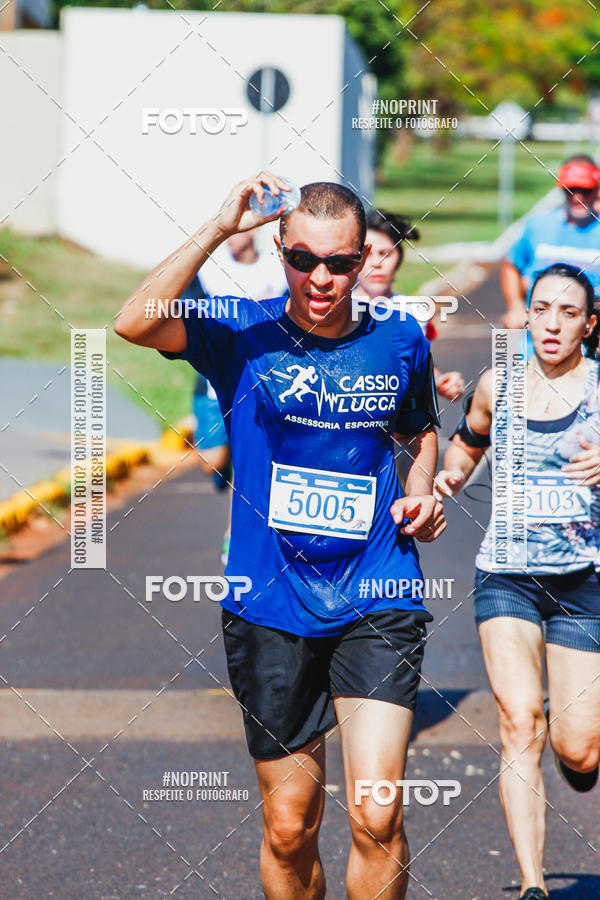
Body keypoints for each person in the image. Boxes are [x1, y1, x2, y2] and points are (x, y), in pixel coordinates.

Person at [115, 172, 447, 900]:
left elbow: (418, 429)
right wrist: (216, 226)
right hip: (269, 604)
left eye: (339, 262)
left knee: (377, 809)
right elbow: (134, 321)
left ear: (364, 260)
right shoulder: (241, 330)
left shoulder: (398, 340)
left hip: (377, 590)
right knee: (291, 826)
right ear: (279, 249)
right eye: (303, 259)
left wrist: (421, 494)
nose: (320, 277)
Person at [435, 263, 600, 900]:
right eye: (541, 309)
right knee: (517, 721)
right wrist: (449, 477)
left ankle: (577, 747)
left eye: (567, 312)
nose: (551, 323)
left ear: (589, 324)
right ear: (525, 315)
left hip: (584, 580)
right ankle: (533, 886)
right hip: (506, 573)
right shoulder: (497, 384)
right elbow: (468, 443)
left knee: (579, 750)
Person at [192, 227, 288, 561]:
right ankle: (231, 456)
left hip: (262, 378)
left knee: (251, 454)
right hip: (215, 382)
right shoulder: (211, 272)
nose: (234, 240)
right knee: (212, 464)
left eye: (240, 234)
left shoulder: (274, 271)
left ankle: (236, 534)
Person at [355, 208, 465, 401]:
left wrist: (440, 380)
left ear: (398, 258)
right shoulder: (336, 307)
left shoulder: (414, 310)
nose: (377, 263)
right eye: (368, 254)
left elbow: (419, 362)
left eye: (385, 254)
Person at [501, 155, 600, 329]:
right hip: (536, 338)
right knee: (503, 348)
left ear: (597, 190)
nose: (577, 197)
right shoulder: (538, 225)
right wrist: (514, 305)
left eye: (585, 190)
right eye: (571, 190)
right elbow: (511, 265)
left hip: (589, 340)